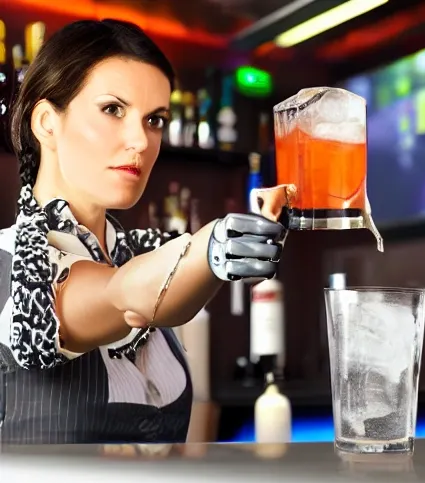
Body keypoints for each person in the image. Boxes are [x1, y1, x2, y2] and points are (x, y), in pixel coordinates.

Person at [0, 18, 290, 444]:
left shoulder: (139, 253)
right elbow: (120, 294)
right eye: (113, 109)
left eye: (154, 120)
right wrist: (210, 246)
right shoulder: (12, 266)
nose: (140, 140)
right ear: (47, 122)